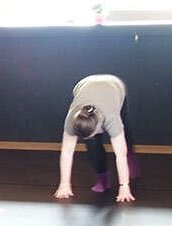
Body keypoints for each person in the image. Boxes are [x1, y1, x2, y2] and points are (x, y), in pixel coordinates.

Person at [54, 74, 137, 203]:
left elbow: (120, 155)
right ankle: (103, 179)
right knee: (92, 146)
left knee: (123, 134)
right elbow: (67, 152)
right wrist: (64, 184)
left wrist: (124, 186)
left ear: (98, 127)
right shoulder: (71, 119)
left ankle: (131, 159)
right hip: (85, 85)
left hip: (114, 86)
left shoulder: (111, 117)